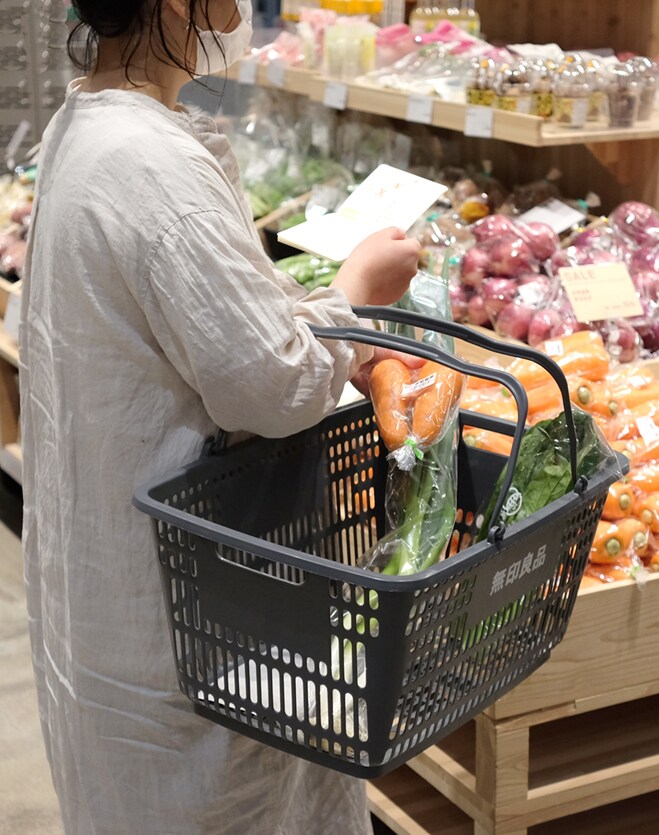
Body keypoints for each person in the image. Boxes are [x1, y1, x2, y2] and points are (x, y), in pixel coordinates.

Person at [21, 0, 421, 832]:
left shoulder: (87, 120)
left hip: (119, 590)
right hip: (191, 622)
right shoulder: (152, 166)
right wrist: (353, 295)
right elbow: (271, 386)